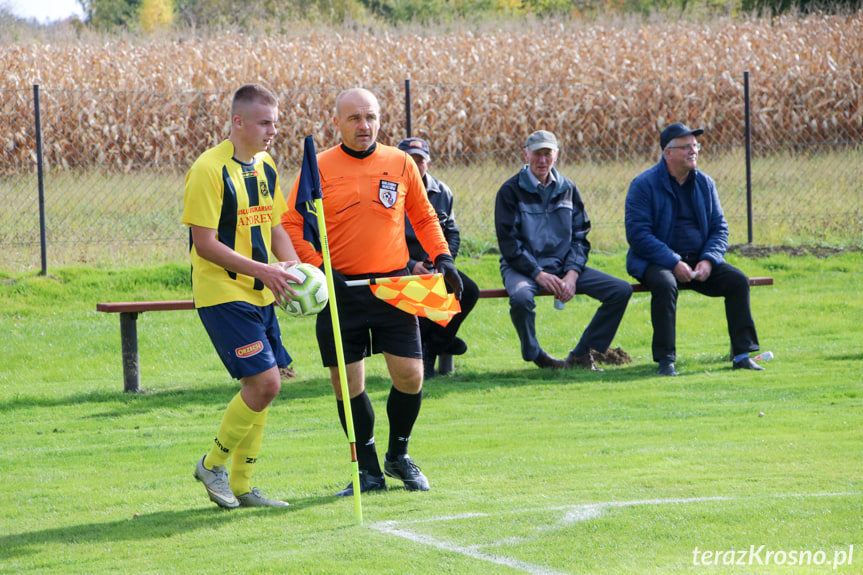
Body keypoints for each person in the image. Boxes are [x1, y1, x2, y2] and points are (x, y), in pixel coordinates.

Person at [281, 88, 463, 496]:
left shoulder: (399, 163)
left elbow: (423, 214)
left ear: (380, 120)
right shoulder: (319, 166)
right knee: (348, 385)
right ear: (338, 123)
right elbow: (291, 225)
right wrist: (319, 268)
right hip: (341, 291)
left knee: (412, 376)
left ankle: (398, 456)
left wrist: (442, 256)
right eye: (354, 119)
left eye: (371, 117)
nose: (364, 126)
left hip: (392, 287)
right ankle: (367, 470)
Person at [182, 83, 301, 508]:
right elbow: (205, 244)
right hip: (222, 293)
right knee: (266, 383)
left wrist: (298, 273)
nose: (273, 131)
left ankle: (243, 486)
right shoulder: (208, 170)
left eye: (276, 122)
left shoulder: (266, 165)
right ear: (238, 122)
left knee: (263, 387)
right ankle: (211, 464)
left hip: (260, 292)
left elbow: (275, 227)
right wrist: (265, 270)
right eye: (265, 122)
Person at [625, 122, 764, 376]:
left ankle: (742, 355)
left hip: (699, 261)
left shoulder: (705, 183)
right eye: (686, 147)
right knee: (666, 285)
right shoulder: (643, 184)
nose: (694, 151)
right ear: (667, 153)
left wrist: (709, 260)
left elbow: (719, 229)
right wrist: (673, 261)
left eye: (696, 146)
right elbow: (638, 235)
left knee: (738, 281)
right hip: (656, 261)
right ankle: (666, 361)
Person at [494, 130, 632, 371]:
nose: (542, 160)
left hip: (563, 266)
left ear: (556, 155)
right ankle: (535, 353)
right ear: (526, 154)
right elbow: (509, 244)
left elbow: (580, 236)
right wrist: (538, 273)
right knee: (521, 298)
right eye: (537, 154)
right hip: (523, 269)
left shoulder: (568, 188)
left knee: (620, 290)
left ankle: (582, 353)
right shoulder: (510, 191)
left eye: (547, 153)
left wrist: (572, 273)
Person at [397, 137, 480, 379]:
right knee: (421, 297)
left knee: (468, 291)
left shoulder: (442, 191)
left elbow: (452, 232)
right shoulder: (389, 192)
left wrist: (445, 263)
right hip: (400, 265)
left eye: (420, 160)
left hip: (435, 262)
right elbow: (382, 239)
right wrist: (412, 265)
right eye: (409, 160)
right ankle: (426, 355)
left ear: (428, 163)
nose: (415, 164)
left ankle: (438, 342)